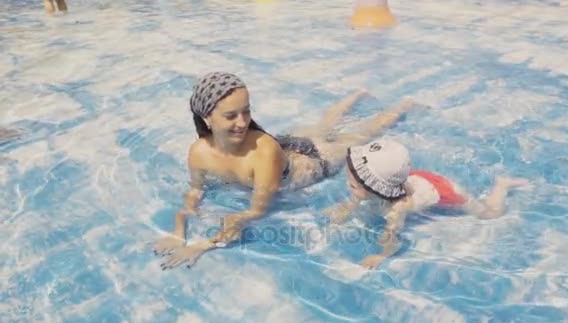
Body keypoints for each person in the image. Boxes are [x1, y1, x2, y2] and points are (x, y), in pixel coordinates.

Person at [153, 72, 418, 269]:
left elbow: (256, 211)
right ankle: (357, 95)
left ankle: (403, 106)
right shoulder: (198, 152)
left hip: (317, 161)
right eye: (231, 115)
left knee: (361, 133)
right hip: (287, 146)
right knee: (323, 125)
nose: (243, 122)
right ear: (206, 118)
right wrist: (178, 232)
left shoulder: (263, 152)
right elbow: (195, 191)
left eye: (246, 112)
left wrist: (201, 245)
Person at [325, 138, 529, 269]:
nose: (347, 184)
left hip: (444, 190)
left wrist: (380, 256)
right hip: (415, 178)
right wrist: (345, 210)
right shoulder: (372, 188)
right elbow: (356, 199)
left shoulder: (398, 208)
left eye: (353, 185)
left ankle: (502, 186)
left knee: (489, 213)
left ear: (376, 188)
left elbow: (392, 237)